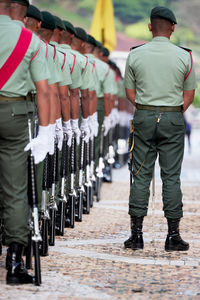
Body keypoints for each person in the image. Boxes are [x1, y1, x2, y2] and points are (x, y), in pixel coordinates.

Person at [124, 6, 196, 252]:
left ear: (150, 27)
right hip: (173, 117)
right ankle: (173, 236)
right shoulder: (184, 56)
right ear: (173, 28)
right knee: (171, 177)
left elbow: (130, 93)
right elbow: (189, 94)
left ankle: (136, 236)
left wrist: (147, 109)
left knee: (140, 175)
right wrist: (171, 112)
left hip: (144, 115)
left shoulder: (135, 54)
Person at [0, 0, 50, 284]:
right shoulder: (30, 39)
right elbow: (44, 91)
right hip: (14, 114)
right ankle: (15, 260)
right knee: (16, 188)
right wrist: (45, 132)